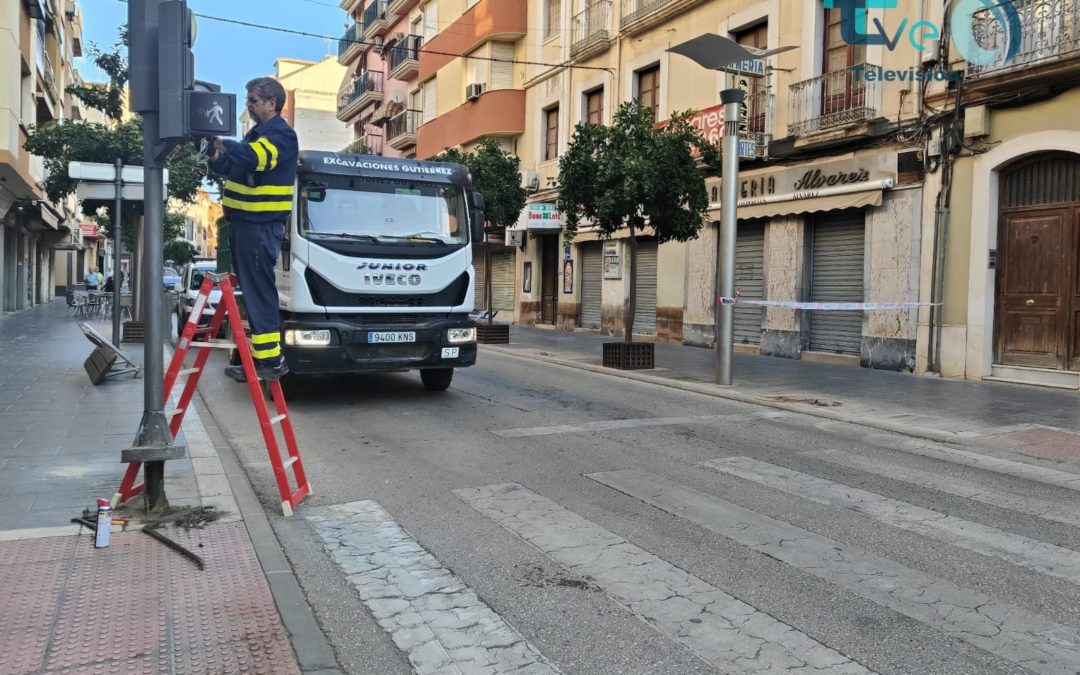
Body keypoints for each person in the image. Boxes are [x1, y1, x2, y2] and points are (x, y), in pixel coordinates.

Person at [207, 76, 298, 382]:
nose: (248, 106)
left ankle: (270, 362)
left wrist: (226, 145)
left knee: (259, 292)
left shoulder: (281, 136)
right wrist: (213, 153)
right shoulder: (255, 136)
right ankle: (262, 361)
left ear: (272, 104)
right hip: (245, 226)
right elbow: (233, 166)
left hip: (259, 227)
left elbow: (254, 159)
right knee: (253, 292)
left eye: (253, 101)